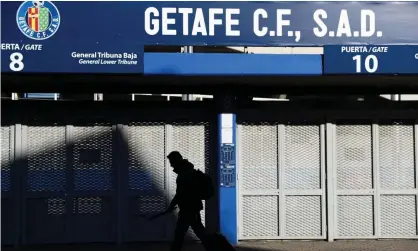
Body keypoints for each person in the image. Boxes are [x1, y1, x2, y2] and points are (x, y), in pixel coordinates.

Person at [166, 151, 208, 251]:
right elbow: (181, 193)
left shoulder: (185, 174)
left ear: (176, 161)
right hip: (191, 207)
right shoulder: (187, 171)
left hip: (189, 208)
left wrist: (172, 205)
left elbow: (181, 193)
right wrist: (173, 204)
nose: (171, 164)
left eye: (171, 161)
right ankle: (214, 247)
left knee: (181, 233)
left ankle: (215, 247)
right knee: (198, 232)